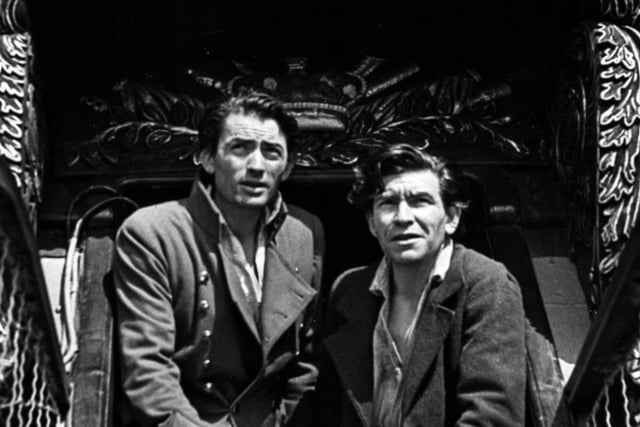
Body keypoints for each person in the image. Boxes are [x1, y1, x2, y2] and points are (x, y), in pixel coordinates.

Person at [113, 90, 324, 427]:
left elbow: (306, 363)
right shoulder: (153, 232)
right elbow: (148, 369)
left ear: (288, 168)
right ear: (208, 159)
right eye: (240, 148)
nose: (256, 165)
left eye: (272, 152)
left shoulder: (303, 233)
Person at [312, 144, 526, 426]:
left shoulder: (486, 284)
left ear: (451, 217)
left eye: (420, 201)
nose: (403, 217)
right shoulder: (349, 289)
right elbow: (327, 408)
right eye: (387, 203)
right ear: (372, 223)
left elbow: (491, 417)